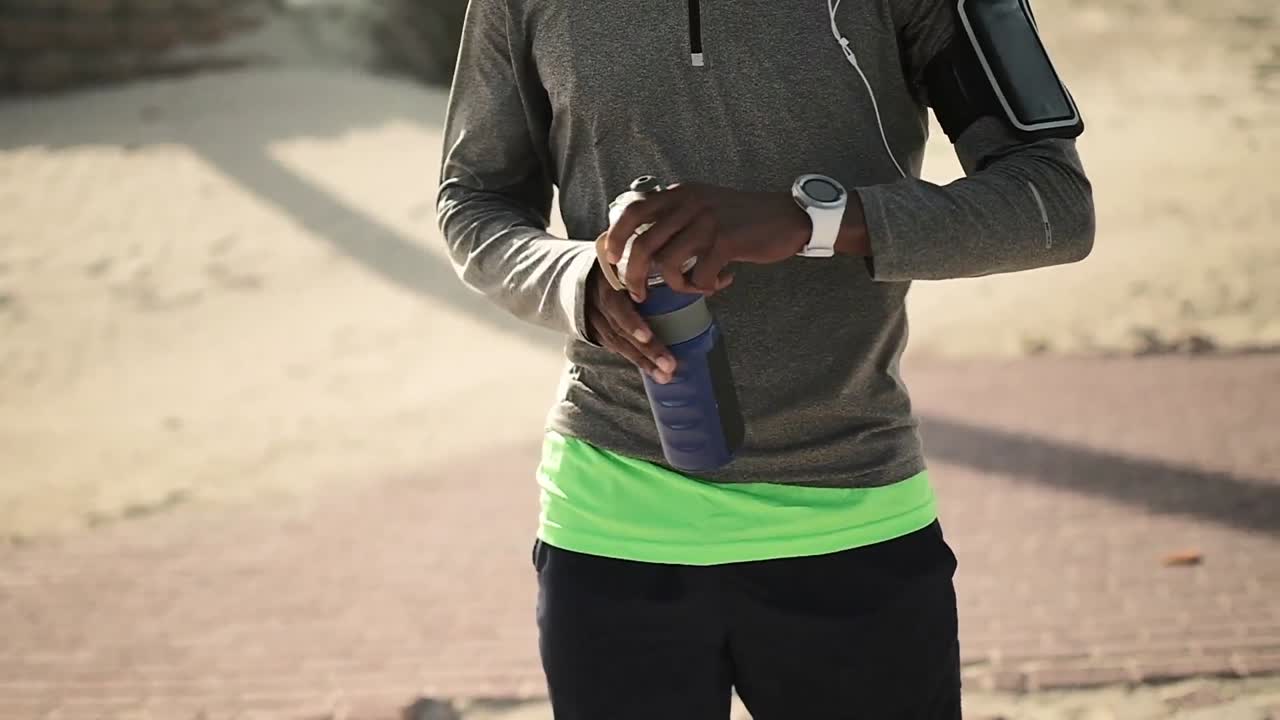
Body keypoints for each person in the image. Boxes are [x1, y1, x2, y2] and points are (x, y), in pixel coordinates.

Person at [437, 0, 1095, 716]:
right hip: (610, 526)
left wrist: (813, 221)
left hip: (853, 518)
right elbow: (474, 197)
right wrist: (579, 282)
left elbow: (1052, 204)